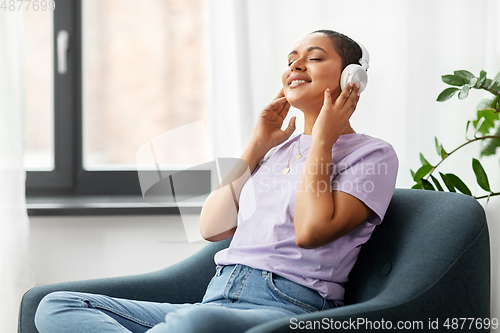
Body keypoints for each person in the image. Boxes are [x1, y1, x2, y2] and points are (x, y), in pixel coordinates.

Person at [34, 29, 398, 333]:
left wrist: (322, 139)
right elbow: (212, 226)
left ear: (353, 77)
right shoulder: (275, 152)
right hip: (216, 296)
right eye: (290, 60)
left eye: (314, 58)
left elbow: (310, 231)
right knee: (59, 305)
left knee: (192, 323)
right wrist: (256, 144)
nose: (296, 66)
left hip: (287, 309)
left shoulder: (373, 155)